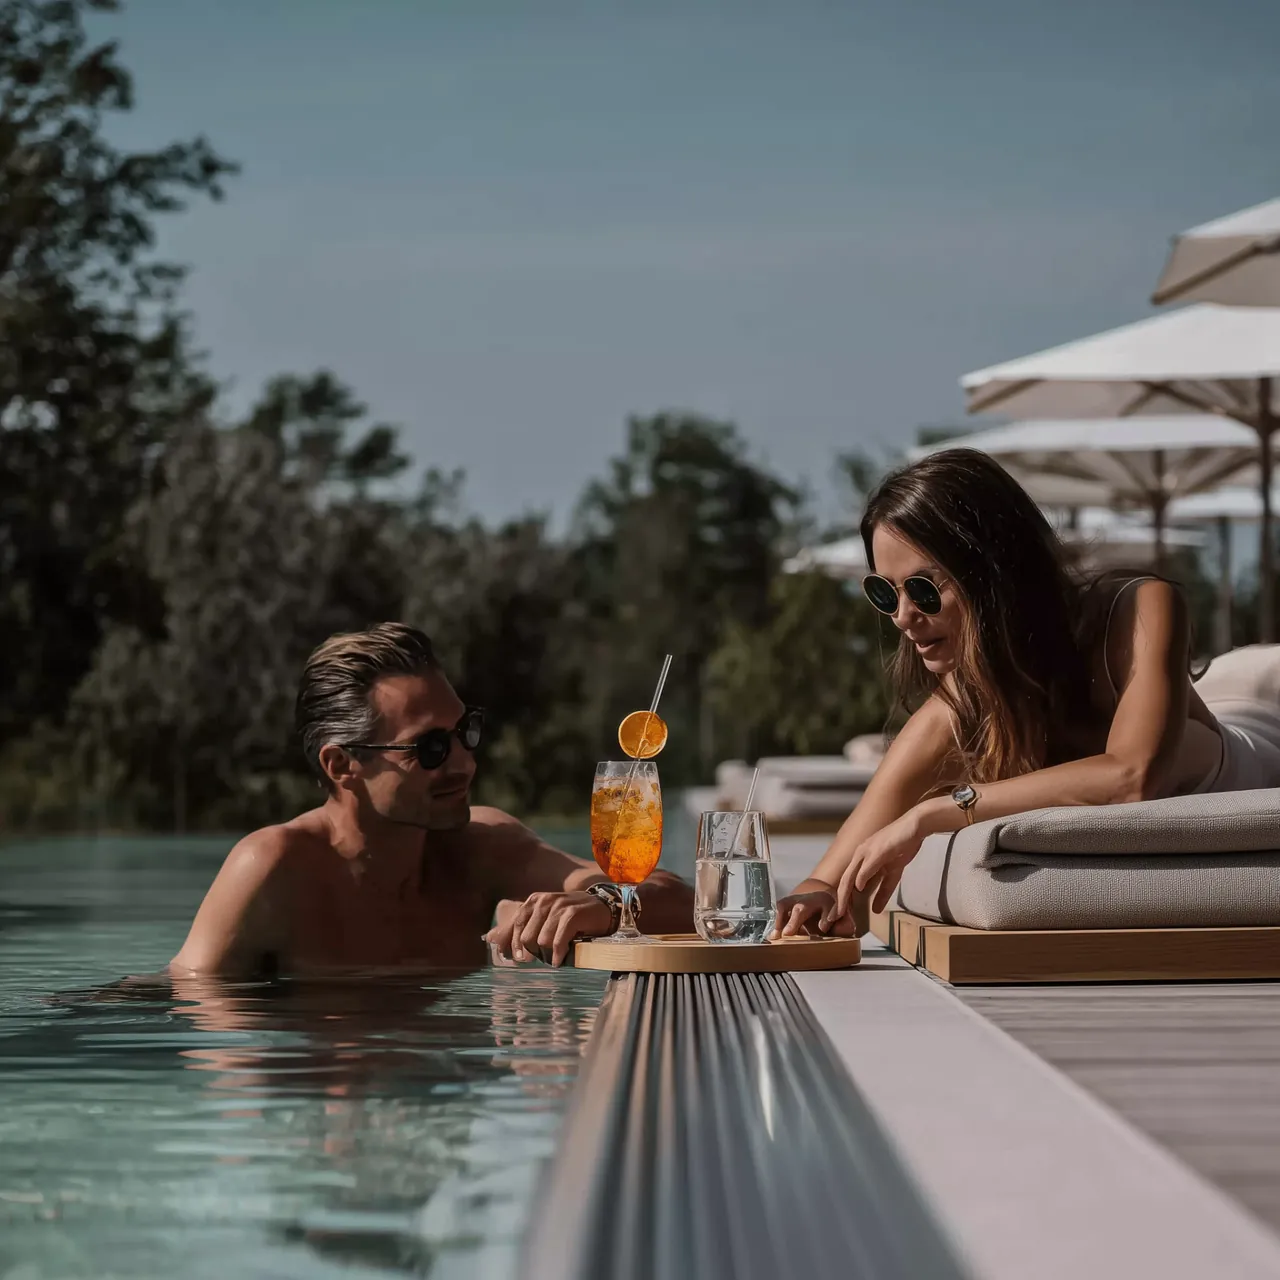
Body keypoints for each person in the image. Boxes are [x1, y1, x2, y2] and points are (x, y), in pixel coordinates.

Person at [776, 448, 1280, 939]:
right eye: (885, 593)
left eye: (924, 590)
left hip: (1259, 718)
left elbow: (1133, 777)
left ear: (995, 572)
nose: (904, 617)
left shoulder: (1140, 607)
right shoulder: (958, 709)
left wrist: (936, 811)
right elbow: (829, 877)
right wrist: (814, 902)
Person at [170, 623, 693, 976]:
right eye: (431, 747)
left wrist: (602, 906)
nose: (464, 763)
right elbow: (196, 1018)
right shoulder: (274, 867)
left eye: (464, 731)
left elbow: (685, 904)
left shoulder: (480, 847)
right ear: (341, 765)